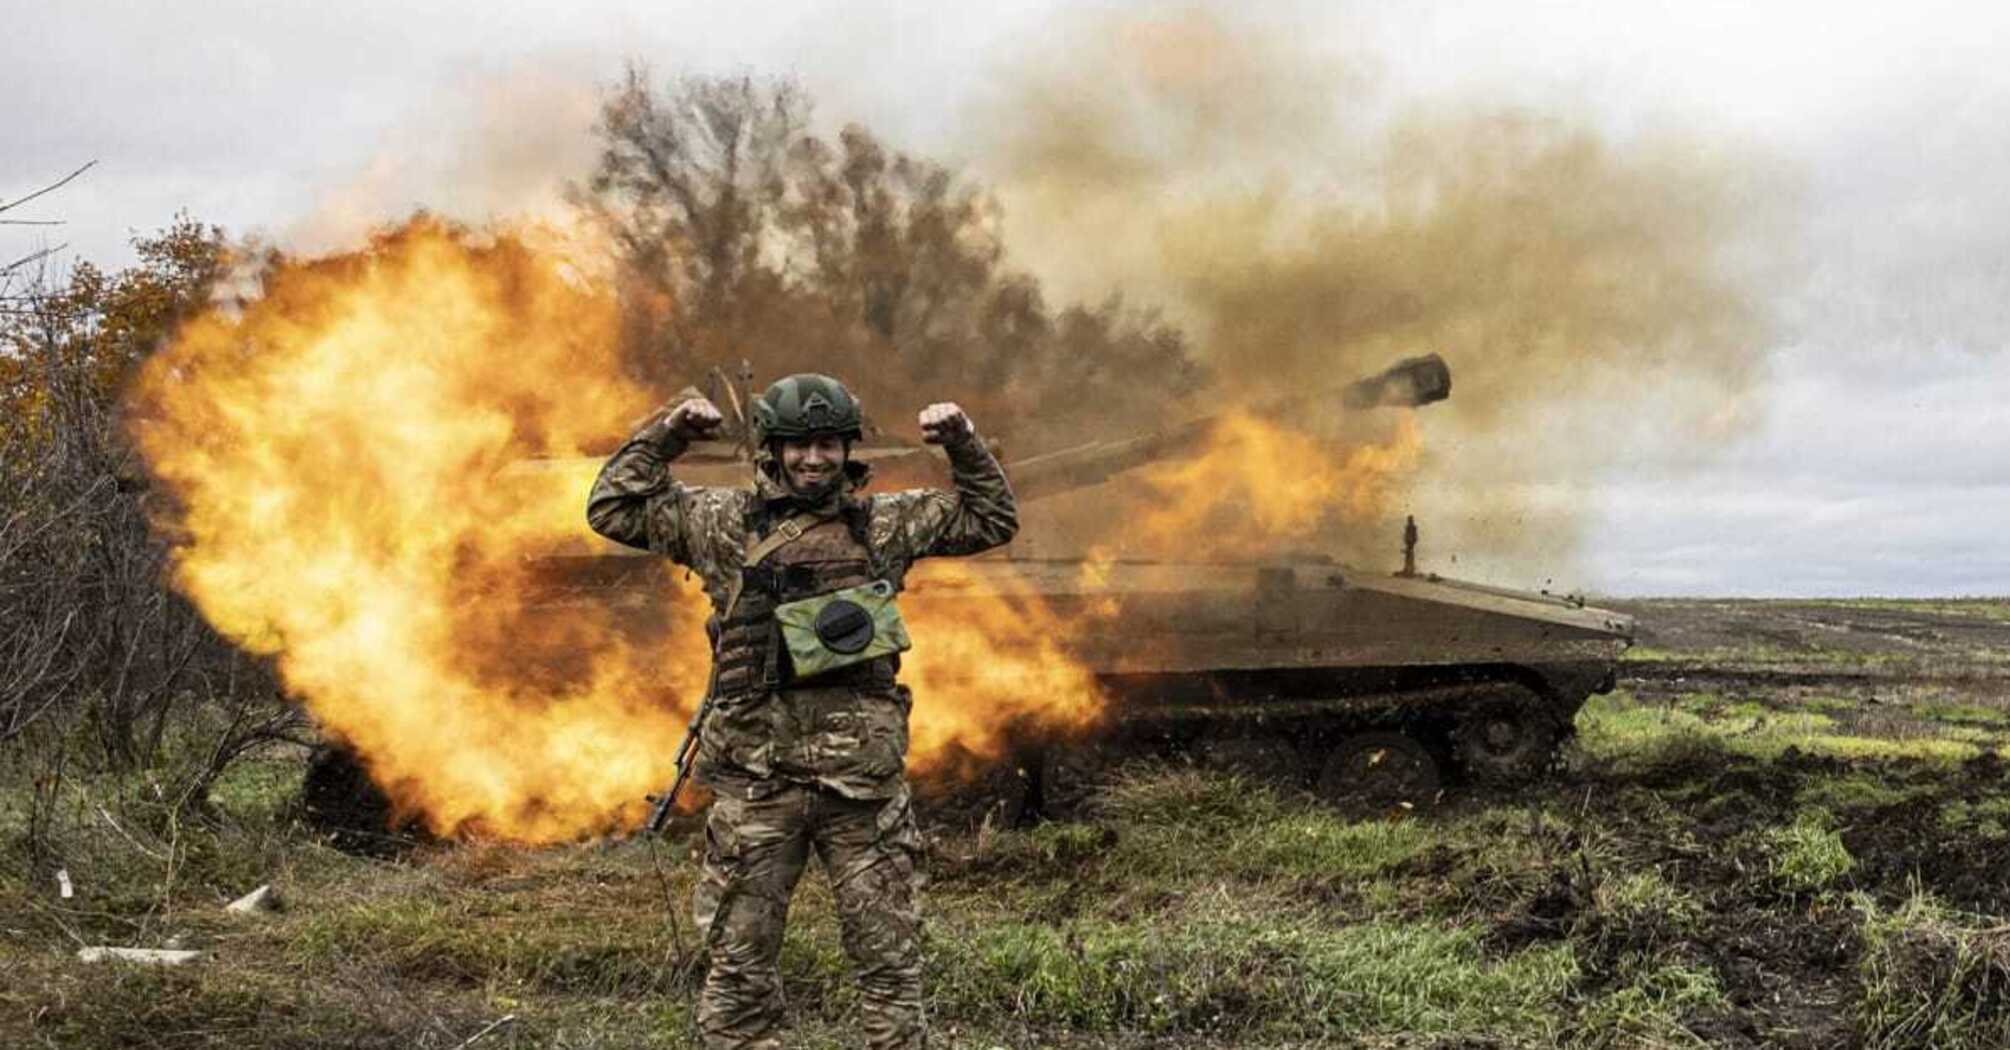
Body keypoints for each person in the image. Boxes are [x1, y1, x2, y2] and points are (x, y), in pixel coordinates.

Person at [585, 373, 1017, 1050]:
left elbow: (990, 518)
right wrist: (669, 432)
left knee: (890, 967)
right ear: (772, 451)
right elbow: (611, 506)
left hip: (862, 790)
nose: (813, 460)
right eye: (797, 447)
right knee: (738, 972)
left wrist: (962, 443)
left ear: (847, 450)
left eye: (826, 445)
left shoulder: (884, 524)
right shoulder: (721, 523)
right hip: (758, 787)